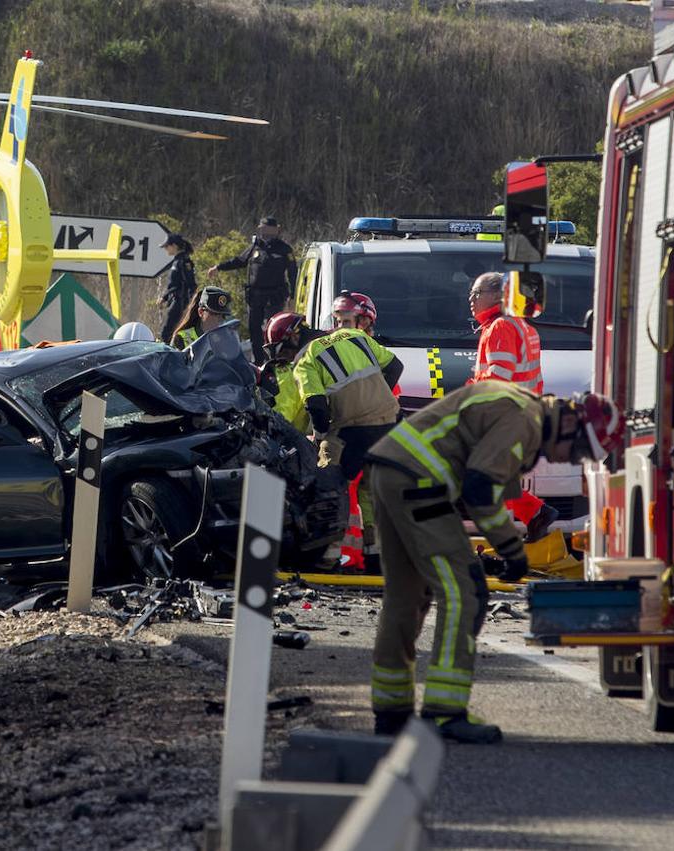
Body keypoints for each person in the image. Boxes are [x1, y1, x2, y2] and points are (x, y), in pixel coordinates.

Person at [366, 386, 623, 742]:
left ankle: (391, 716)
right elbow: (480, 486)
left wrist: (504, 540)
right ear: (568, 422)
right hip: (421, 483)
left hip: (390, 471)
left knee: (405, 597)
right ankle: (444, 714)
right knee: (465, 593)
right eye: (578, 449)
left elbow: (487, 482)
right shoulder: (525, 419)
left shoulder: (520, 409)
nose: (571, 459)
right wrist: (510, 549)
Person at [292, 322, 403, 568]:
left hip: (352, 430)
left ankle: (327, 555)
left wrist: (321, 438)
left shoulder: (305, 361)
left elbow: (317, 408)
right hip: (391, 423)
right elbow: (396, 365)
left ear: (291, 344)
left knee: (326, 480)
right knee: (371, 488)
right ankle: (376, 555)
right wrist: (377, 397)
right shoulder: (353, 335)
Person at [468, 271, 557, 541]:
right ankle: (535, 513)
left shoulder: (500, 327)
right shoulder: (522, 325)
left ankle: (530, 517)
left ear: (498, 295)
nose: (471, 300)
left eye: (477, 293)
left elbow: (499, 376)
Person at [207, 216, 297, 366]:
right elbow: (239, 261)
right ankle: (259, 362)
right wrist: (218, 268)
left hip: (275, 296)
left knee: (273, 329)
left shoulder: (284, 249)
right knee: (254, 329)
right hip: (255, 296)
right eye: (262, 229)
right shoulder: (255, 247)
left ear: (276, 230)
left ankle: (274, 360)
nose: (265, 232)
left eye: (268, 229)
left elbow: (293, 273)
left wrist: (293, 296)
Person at [158, 234, 197, 345]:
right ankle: (186, 353)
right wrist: (164, 298)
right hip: (174, 300)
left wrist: (190, 305)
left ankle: (187, 356)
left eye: (166, 247)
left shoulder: (184, 262)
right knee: (180, 331)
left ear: (174, 246)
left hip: (180, 302)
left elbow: (191, 284)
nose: (165, 249)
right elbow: (174, 284)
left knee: (168, 333)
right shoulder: (177, 261)